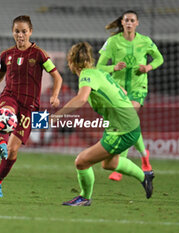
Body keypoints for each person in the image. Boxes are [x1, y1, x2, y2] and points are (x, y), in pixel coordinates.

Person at [0, 15, 63, 197]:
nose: (20, 35)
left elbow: (57, 77)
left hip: (30, 106)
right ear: (13, 32)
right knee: (5, 114)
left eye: (24, 31)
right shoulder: (6, 55)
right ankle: (1, 143)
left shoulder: (40, 54)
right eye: (17, 31)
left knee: (12, 152)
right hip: (10, 96)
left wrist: (55, 95)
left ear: (31, 32)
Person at [51, 42, 154, 206]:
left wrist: (56, 116)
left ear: (71, 62)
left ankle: (84, 198)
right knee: (110, 163)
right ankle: (145, 176)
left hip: (122, 129)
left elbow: (81, 99)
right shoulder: (99, 73)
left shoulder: (86, 75)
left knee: (82, 161)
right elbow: (124, 92)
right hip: (126, 124)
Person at [97, 10, 164, 181]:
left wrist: (147, 68)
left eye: (132, 20)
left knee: (127, 118)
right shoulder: (113, 42)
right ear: (122, 23)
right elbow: (99, 67)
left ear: (137, 23)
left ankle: (121, 164)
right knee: (127, 122)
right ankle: (144, 156)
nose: (129, 23)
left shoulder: (145, 41)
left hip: (138, 88)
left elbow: (159, 59)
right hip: (118, 89)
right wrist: (114, 68)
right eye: (126, 20)